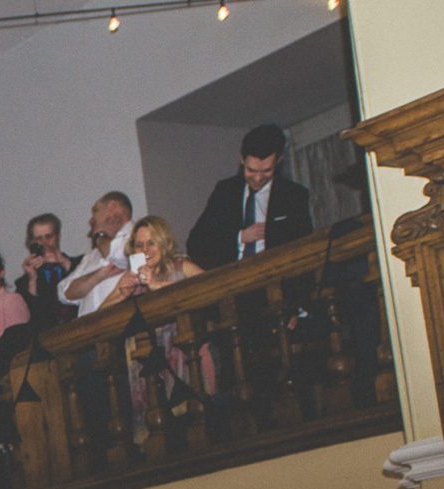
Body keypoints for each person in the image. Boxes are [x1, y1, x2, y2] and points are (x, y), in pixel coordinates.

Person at [108, 215, 210, 442]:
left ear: (163, 243)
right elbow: (100, 314)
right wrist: (121, 296)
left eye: (151, 242)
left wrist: (156, 285)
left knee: (191, 425)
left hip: (185, 358)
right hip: (145, 366)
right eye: (139, 244)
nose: (145, 249)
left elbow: (210, 287)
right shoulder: (130, 278)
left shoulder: (182, 266)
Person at [187, 123, 314, 270]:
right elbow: (196, 243)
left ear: (278, 161)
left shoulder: (293, 195)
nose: (258, 178)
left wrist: (271, 233)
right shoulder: (225, 192)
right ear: (241, 159)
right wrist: (240, 237)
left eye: (266, 171)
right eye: (251, 170)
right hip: (234, 281)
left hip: (278, 278)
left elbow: (305, 242)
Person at [61, 192, 137, 317]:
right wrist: (100, 274)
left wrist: (100, 237)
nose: (91, 220)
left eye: (96, 210)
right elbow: (64, 293)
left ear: (113, 206)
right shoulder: (91, 256)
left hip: (125, 325)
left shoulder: (139, 238)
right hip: (88, 330)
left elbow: (121, 258)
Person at [18, 213, 78, 328]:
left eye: (48, 237)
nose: (45, 243)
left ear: (58, 236)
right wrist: (32, 279)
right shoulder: (25, 282)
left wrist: (64, 263)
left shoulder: (80, 264)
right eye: (39, 239)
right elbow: (30, 316)